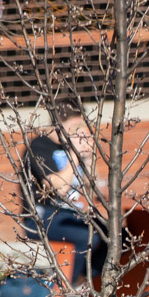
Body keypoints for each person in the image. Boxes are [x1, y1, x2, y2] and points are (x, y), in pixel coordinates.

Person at [20, 103, 102, 283]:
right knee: (88, 237)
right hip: (42, 217)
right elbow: (58, 188)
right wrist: (74, 153)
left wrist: (87, 155)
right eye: (75, 127)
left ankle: (85, 283)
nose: (78, 132)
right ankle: (66, 291)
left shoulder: (70, 147)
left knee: (113, 232)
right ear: (60, 125)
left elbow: (90, 184)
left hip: (69, 214)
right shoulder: (38, 146)